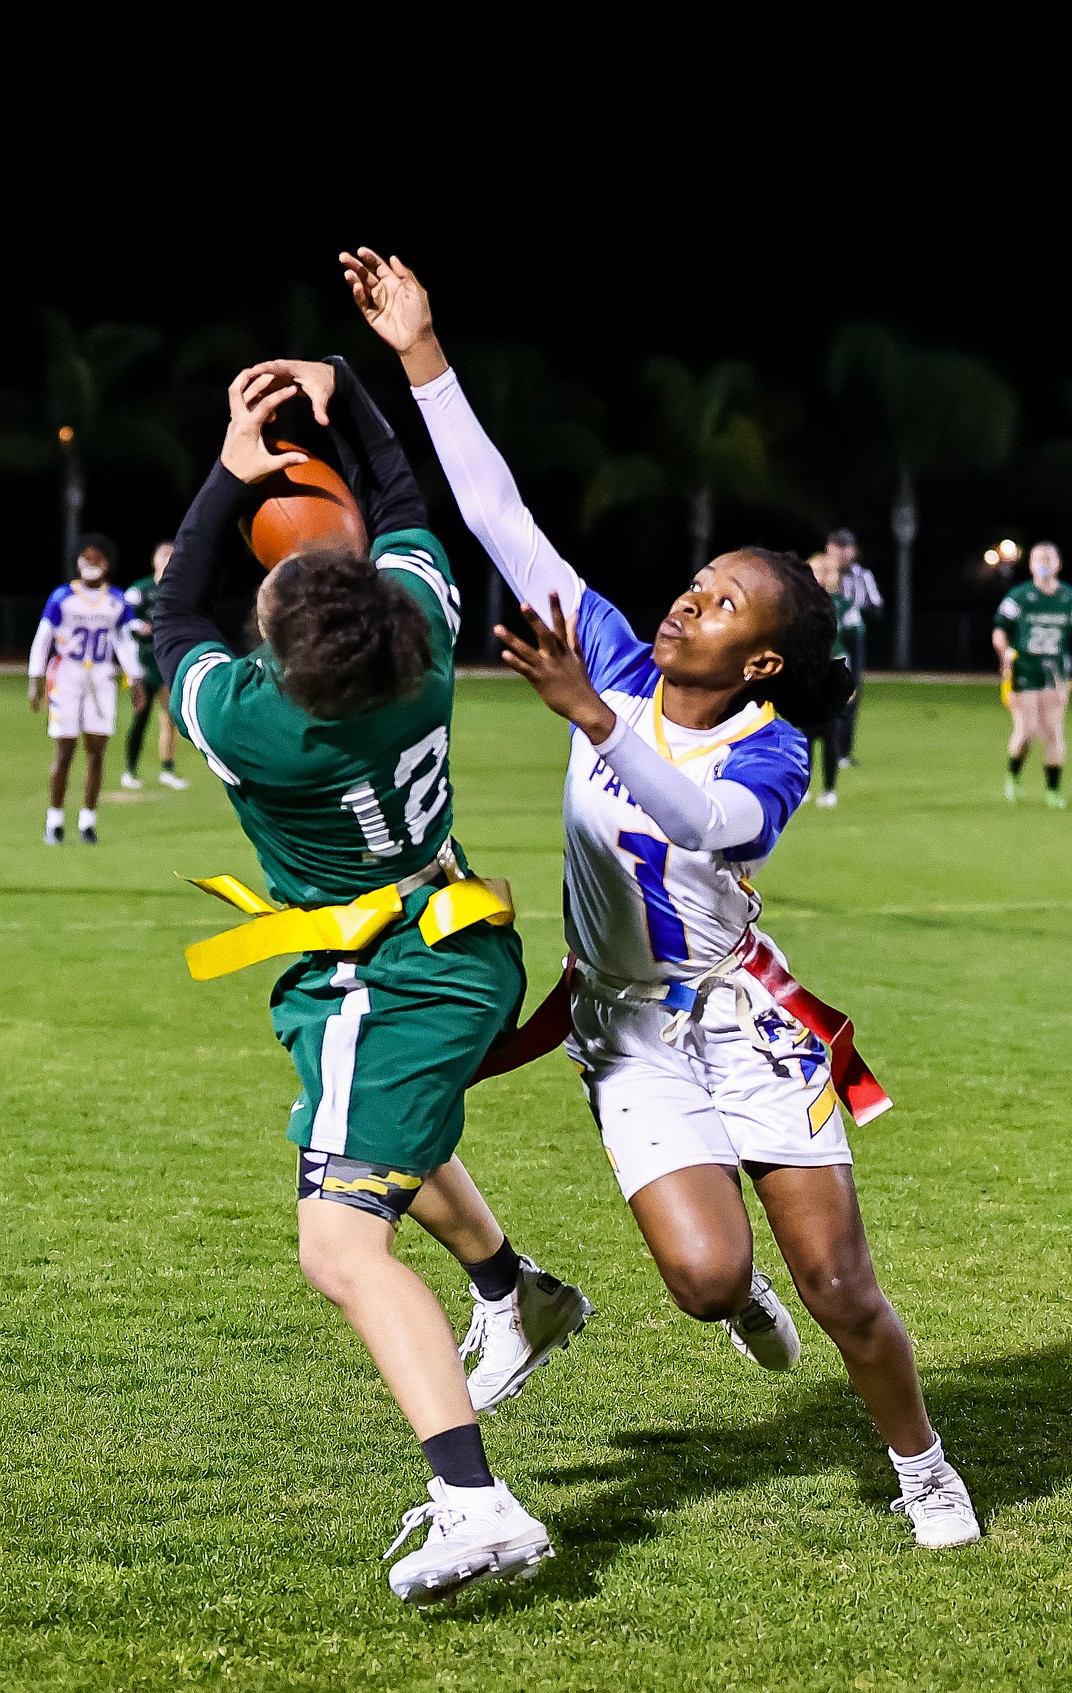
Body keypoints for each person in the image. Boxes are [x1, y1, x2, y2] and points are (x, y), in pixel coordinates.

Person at [347, 245, 981, 1551]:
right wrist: (420, 351)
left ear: (761, 660)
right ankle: (741, 1304)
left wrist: (592, 720)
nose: (690, 597)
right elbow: (501, 516)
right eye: (700, 579)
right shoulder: (619, 661)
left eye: (723, 599)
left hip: (744, 1019)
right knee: (704, 1278)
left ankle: (924, 1471)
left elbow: (706, 825)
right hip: (626, 1028)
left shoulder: (768, 751)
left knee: (842, 1286)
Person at [152, 354, 592, 1607]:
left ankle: (476, 1501)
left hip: (380, 979)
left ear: (280, 652)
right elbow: (404, 508)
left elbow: (172, 616)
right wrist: (347, 386)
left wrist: (226, 474)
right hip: (455, 937)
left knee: (340, 1246)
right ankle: (515, 1293)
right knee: (374, 1134)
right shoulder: (424, 640)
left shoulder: (259, 725)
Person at [27, 533, 147, 843]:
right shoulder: (62, 596)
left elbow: (124, 642)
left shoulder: (116, 599)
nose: (91, 562)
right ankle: (54, 820)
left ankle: (87, 821)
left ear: (108, 563)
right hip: (67, 674)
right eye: (87, 557)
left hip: (101, 676)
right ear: (78, 560)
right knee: (64, 749)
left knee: (96, 749)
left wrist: (135, 679)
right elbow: (43, 637)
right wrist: (35, 678)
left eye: (97, 558)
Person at [992, 541, 1072, 808]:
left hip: (1055, 671)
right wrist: (1005, 653)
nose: (1044, 563)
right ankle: (1013, 776)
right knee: (1026, 731)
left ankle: (1053, 791)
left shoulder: (1070, 598)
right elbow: (1000, 629)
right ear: (1031, 564)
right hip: (1024, 668)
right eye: (1038, 558)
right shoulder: (1019, 596)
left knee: (1054, 732)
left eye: (1049, 558)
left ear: (1059, 563)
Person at [121, 541, 190, 790]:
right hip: (144, 663)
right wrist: (139, 627)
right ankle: (130, 770)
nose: (168, 558)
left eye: (173, 554)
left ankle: (167, 769)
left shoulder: (179, 590)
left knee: (171, 717)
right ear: (154, 559)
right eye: (164, 554)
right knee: (141, 717)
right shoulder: (141, 589)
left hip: (167, 662)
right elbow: (122, 619)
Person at [804, 551, 859, 808]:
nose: (821, 577)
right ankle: (803, 787)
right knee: (804, 734)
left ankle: (828, 790)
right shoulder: (800, 604)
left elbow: (851, 643)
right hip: (808, 673)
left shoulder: (842, 604)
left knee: (829, 733)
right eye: (816, 571)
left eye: (826, 571)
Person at [826, 528, 883, 767]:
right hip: (824, 637)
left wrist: (854, 612)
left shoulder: (862, 575)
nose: (842, 552)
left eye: (846, 547)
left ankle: (842, 751)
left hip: (851, 637)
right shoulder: (819, 570)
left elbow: (876, 606)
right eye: (837, 546)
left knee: (850, 691)